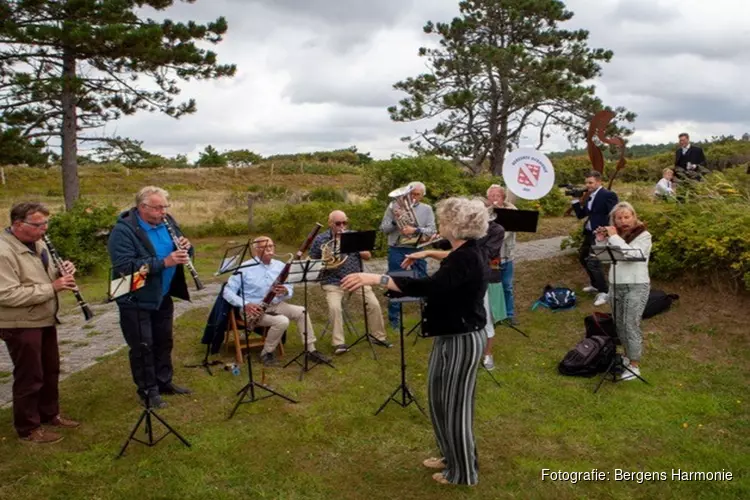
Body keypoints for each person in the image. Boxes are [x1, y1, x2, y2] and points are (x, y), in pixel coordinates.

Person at [343, 197, 490, 486]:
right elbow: (450, 258)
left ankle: (463, 474)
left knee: (455, 407)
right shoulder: (466, 251)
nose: (440, 224)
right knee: (438, 400)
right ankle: (450, 455)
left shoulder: (469, 256)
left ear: (454, 225)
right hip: (449, 334)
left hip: (463, 338)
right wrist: (429, 254)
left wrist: (378, 279)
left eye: (443, 220)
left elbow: (432, 287)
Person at [0, 202, 81, 443]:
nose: (44, 229)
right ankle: (27, 428)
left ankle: (49, 414)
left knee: (50, 368)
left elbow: (42, 275)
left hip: (43, 317)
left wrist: (61, 272)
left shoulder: (38, 242)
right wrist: (52, 287)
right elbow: (6, 294)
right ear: (18, 224)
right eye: (38, 224)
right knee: (30, 374)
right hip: (19, 322)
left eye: (46, 223)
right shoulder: (4, 252)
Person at [108, 186, 194, 410]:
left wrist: (187, 247)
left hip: (161, 294)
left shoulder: (168, 221)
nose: (163, 212)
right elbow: (125, 267)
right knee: (143, 345)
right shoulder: (123, 231)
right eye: (158, 208)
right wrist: (165, 262)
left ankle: (164, 382)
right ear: (142, 207)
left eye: (165, 206)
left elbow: (182, 251)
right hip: (134, 297)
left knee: (164, 340)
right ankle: (148, 391)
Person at [223, 236, 331, 366]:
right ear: (256, 250)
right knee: (281, 321)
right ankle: (266, 352)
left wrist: (285, 290)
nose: (269, 249)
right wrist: (245, 304)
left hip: (276, 304)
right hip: (253, 309)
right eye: (264, 247)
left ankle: (311, 350)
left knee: (302, 311)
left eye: (271, 246)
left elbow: (289, 288)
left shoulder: (280, 266)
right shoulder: (245, 268)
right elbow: (227, 291)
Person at [309, 210, 391, 354]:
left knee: (374, 304)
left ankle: (378, 337)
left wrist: (355, 247)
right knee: (335, 308)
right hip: (333, 281)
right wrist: (327, 260)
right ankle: (339, 343)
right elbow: (314, 260)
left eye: (344, 223)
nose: (342, 226)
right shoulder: (321, 239)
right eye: (338, 223)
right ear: (330, 223)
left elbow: (368, 256)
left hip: (355, 278)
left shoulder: (354, 235)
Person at [593, 202, 651, 380]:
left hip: (636, 285)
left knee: (630, 324)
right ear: (614, 221)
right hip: (616, 284)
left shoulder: (644, 235)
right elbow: (605, 258)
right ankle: (626, 357)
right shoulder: (616, 236)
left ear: (634, 217)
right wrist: (601, 240)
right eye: (619, 218)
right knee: (619, 324)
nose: (624, 221)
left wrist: (614, 237)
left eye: (627, 217)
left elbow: (633, 256)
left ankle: (635, 366)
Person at [380, 181, 436, 330]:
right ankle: (394, 322)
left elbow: (431, 231)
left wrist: (415, 230)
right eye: (411, 194)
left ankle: (428, 319)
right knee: (396, 283)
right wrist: (394, 219)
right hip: (397, 249)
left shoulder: (427, 209)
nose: (413, 197)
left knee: (424, 282)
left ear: (422, 196)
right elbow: (384, 229)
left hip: (418, 249)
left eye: (417, 194)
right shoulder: (393, 207)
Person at [571, 171, 619, 306]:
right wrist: (575, 200)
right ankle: (595, 284)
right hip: (589, 233)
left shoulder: (608, 195)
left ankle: (605, 292)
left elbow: (614, 215)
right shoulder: (589, 196)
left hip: (600, 234)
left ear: (599, 182)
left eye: (590, 182)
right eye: (586, 182)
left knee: (594, 263)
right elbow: (581, 215)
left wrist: (608, 232)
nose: (588, 185)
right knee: (582, 257)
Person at [486, 184, 518, 325]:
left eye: (497, 196)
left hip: (507, 255)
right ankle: (496, 314)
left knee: (507, 285)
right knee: (493, 285)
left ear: (503, 197)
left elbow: (505, 234)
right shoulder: (485, 213)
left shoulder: (512, 211)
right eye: (491, 196)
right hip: (492, 257)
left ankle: (509, 314)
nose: (494, 198)